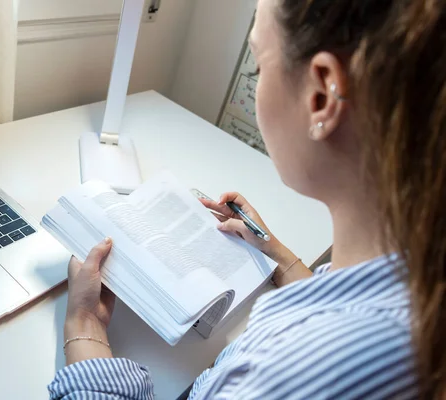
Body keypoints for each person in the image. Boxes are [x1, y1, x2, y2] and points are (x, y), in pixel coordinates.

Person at [48, 0, 446, 398]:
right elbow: (345, 299)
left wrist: (85, 328)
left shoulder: (280, 377)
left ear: (322, 96)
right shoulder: (417, 272)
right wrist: (277, 255)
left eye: (259, 65)